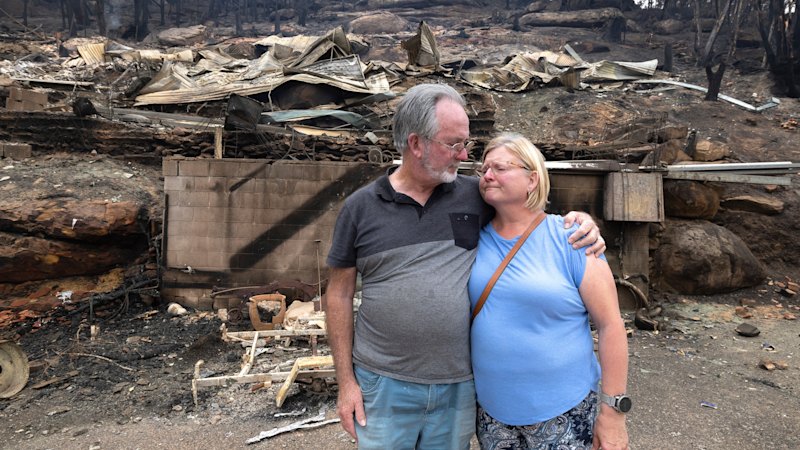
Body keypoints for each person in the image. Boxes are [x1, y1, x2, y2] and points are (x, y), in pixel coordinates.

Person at [325, 83, 606, 449]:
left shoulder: (476, 193)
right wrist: (346, 383)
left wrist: (581, 220)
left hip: (458, 386)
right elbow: (339, 294)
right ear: (416, 144)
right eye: (454, 144)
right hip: (382, 382)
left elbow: (530, 214)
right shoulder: (361, 207)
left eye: (466, 143)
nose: (464, 155)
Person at [469, 133, 629, 450]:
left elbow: (611, 326)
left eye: (500, 167)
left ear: (532, 179)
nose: (487, 175)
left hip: (564, 413)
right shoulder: (471, 238)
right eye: (484, 168)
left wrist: (613, 415)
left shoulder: (572, 238)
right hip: (493, 416)